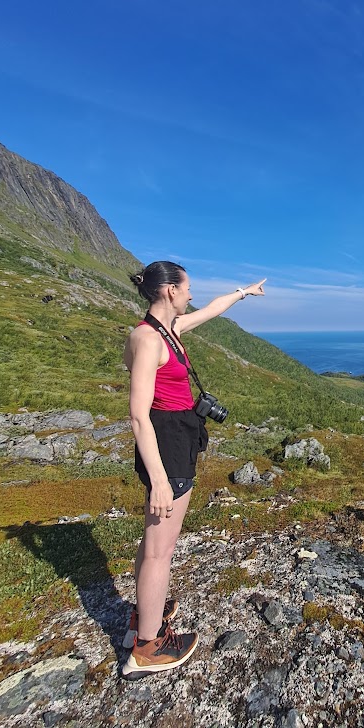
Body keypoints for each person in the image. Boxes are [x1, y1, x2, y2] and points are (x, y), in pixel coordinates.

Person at [121, 261, 266, 679]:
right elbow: (138, 416)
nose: (190, 295)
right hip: (166, 443)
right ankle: (148, 646)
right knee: (159, 549)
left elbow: (212, 310)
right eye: (186, 289)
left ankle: (143, 618)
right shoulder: (148, 340)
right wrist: (161, 480)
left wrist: (243, 293)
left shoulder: (169, 329)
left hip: (175, 435)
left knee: (154, 541)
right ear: (169, 291)